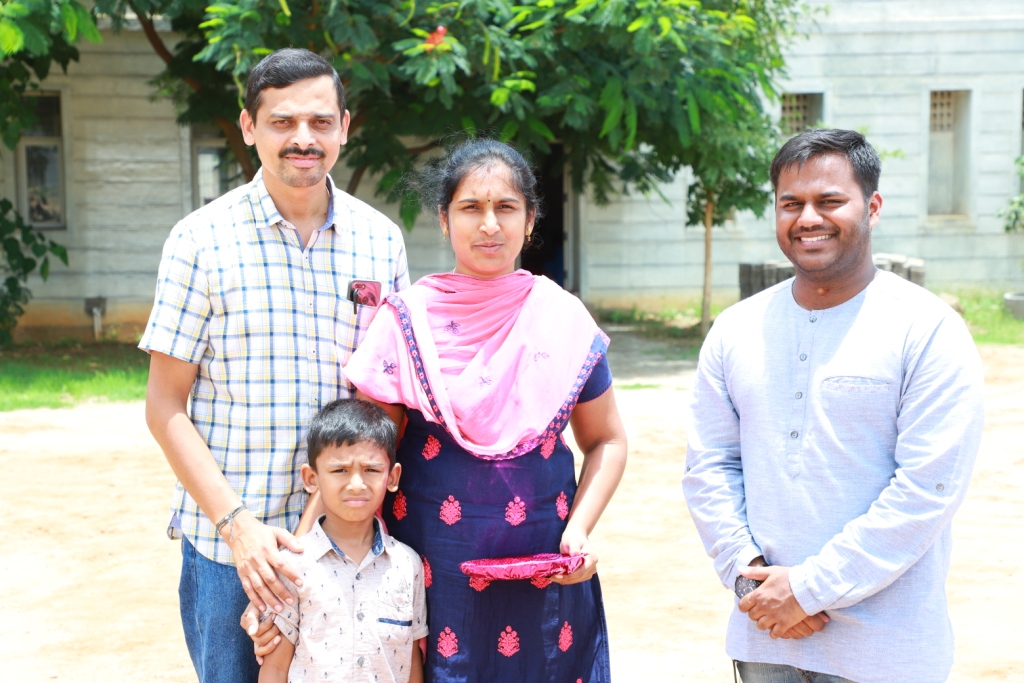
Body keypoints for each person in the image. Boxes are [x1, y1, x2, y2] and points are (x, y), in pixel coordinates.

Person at [248, 138, 627, 681]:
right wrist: (300, 560)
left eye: (506, 208)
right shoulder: (407, 322)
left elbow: (607, 440)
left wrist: (580, 530)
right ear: (445, 222)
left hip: (546, 570)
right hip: (433, 568)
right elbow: (360, 449)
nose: (489, 225)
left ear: (530, 220)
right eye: (471, 208)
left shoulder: (562, 318)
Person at [140, 48, 410, 683]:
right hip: (235, 556)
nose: (303, 139)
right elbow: (164, 407)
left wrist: (329, 515)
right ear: (248, 127)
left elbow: (390, 395)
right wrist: (239, 530)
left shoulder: (381, 240)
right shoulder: (199, 241)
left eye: (320, 122)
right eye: (283, 122)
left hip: (349, 542)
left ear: (345, 126)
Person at [682, 128, 985, 683]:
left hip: (887, 653)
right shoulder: (735, 330)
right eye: (790, 204)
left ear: (872, 207)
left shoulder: (926, 329)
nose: (808, 219)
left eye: (829, 201)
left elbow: (926, 491)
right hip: (766, 641)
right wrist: (750, 578)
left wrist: (805, 590)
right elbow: (710, 468)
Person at [257, 399, 427, 683]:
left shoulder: (408, 566)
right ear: (311, 478)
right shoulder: (293, 566)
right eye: (340, 471)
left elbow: (411, 663)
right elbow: (274, 668)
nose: (357, 484)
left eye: (371, 470)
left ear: (392, 476)